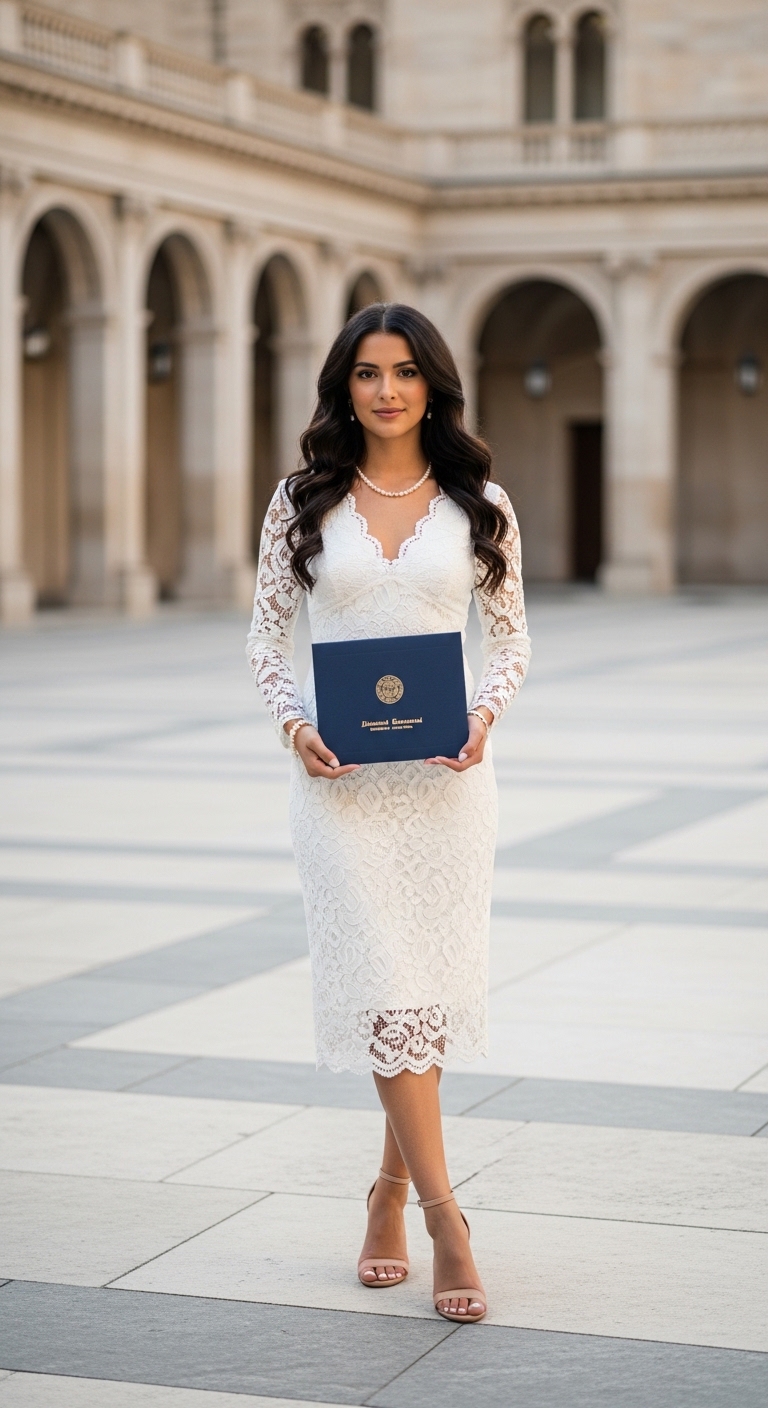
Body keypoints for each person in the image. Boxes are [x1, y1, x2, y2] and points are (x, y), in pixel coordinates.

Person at [247, 302, 530, 1323]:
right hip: (341, 789)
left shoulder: (479, 502)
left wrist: (485, 715)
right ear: (344, 386)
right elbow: (265, 640)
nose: (387, 390)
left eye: (405, 371)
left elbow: (510, 640)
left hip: (447, 787)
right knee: (383, 991)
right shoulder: (301, 501)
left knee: (423, 995)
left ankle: (388, 1193)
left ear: (432, 384)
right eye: (368, 373)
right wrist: (295, 726)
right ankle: (450, 1220)